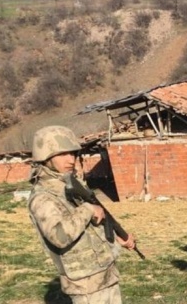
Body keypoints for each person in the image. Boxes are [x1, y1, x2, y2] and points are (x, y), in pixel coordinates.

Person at [27, 125, 136, 304]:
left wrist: (117, 241)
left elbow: (91, 235)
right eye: (62, 154)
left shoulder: (70, 185)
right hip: (85, 286)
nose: (70, 160)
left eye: (73, 154)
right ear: (45, 157)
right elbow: (59, 236)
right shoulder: (43, 197)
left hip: (106, 276)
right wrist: (88, 209)